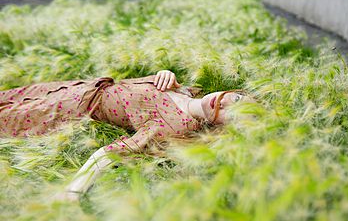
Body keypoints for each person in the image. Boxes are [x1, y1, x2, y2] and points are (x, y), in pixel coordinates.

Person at [0, 70, 256, 201]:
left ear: (224, 127)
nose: (222, 104)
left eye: (232, 115)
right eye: (235, 98)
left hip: (72, 106)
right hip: (86, 86)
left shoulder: (177, 124)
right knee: (17, 96)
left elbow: (112, 151)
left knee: (12, 116)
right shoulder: (186, 90)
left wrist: (74, 189)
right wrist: (163, 74)